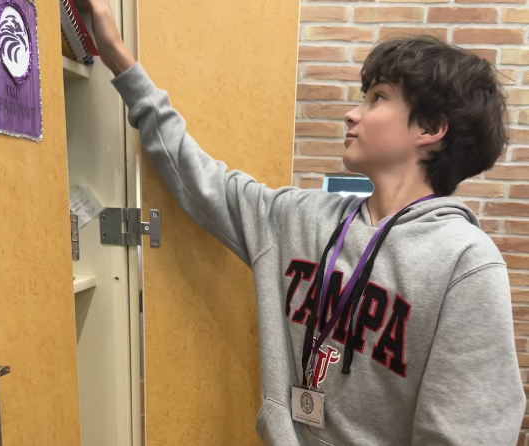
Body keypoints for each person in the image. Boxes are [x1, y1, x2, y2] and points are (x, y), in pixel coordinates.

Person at [81, 0, 526, 444]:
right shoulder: (298, 219)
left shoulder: (465, 264)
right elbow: (198, 178)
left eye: (378, 98)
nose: (353, 113)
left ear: (430, 129)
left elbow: (466, 434)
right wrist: (118, 54)